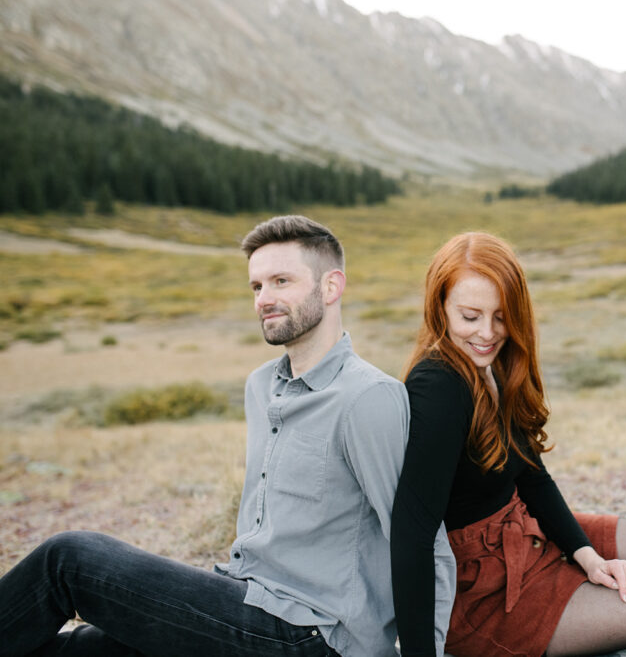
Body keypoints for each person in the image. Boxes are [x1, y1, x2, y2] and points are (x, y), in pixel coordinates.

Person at [0, 215, 455, 657]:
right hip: (244, 600)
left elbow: (421, 544)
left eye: (282, 281)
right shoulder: (260, 387)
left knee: (69, 559)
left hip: (315, 634)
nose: (264, 299)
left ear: (331, 286)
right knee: (67, 648)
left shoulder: (368, 398)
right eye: (256, 286)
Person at [391, 232, 626, 657]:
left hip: (523, 529)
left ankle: (621, 575)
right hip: (480, 587)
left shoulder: (497, 364)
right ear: (440, 308)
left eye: (501, 317)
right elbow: (411, 531)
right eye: (470, 316)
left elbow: (532, 476)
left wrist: (588, 558)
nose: (487, 333)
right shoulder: (438, 387)